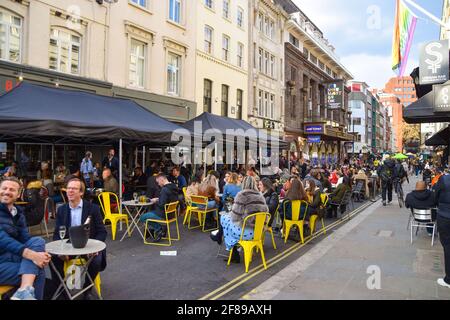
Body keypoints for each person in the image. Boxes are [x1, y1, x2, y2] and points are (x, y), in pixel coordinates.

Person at [49, 178, 107, 300]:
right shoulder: (62, 209)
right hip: (69, 247)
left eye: (74, 189)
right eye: (68, 188)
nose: (70, 191)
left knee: (96, 260)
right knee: (52, 258)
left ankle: (87, 289)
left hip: (89, 247)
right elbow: (57, 234)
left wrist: (95, 248)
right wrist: (60, 251)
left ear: (81, 192)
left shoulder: (93, 208)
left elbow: (102, 232)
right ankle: (62, 290)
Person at [0, 177, 51, 300]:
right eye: (4, 188)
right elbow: (2, 239)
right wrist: (32, 255)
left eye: (12, 189)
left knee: (38, 241)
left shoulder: (17, 212)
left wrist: (40, 254)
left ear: (18, 195)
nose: (7, 191)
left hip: (8, 257)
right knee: (37, 270)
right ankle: (24, 291)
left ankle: (24, 290)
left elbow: (26, 239)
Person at [211, 176, 268, 263]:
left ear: (243, 184)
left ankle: (232, 250)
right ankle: (233, 252)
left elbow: (235, 217)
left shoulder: (242, 195)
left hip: (245, 233)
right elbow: (265, 215)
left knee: (224, 219)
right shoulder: (260, 196)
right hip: (258, 233)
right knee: (228, 224)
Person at [139, 174, 178, 242]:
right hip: (171, 214)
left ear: (162, 180)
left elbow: (161, 204)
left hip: (162, 214)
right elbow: (168, 199)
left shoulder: (164, 190)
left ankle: (159, 228)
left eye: (158, 182)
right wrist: (158, 199)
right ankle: (159, 229)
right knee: (149, 213)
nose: (158, 184)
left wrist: (155, 201)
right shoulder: (173, 187)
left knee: (142, 217)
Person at [433, 171, 450, 289]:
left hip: (446, 215)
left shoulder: (444, 179)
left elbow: (435, 197)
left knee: (448, 246)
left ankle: (448, 279)